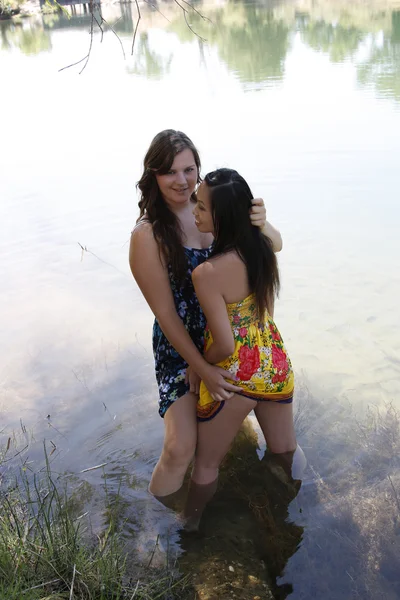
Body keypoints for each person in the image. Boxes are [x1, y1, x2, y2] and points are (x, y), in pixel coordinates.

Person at [129, 130, 283, 502]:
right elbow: (165, 315)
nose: (182, 181)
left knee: (227, 436)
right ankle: (162, 527)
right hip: (182, 350)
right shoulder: (147, 235)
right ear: (153, 176)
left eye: (189, 169)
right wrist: (201, 369)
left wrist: (263, 223)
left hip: (228, 340)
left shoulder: (214, 208)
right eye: (170, 172)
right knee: (181, 447)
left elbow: (273, 247)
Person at [183, 167, 300, 528]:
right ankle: (284, 513)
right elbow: (277, 241)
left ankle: (190, 527)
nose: (194, 212)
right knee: (284, 453)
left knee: (205, 464)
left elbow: (226, 343)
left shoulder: (208, 272)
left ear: (221, 216)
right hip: (276, 364)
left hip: (238, 376)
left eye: (200, 207)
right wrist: (263, 223)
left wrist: (198, 366)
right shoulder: (262, 248)